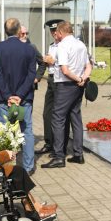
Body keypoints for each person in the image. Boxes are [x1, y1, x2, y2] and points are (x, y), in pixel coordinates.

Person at [41, 20, 91, 168]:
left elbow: (65, 70)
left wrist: (77, 78)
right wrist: (83, 78)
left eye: (57, 32)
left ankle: (58, 157)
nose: (56, 35)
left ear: (61, 32)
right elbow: (88, 65)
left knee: (57, 119)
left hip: (65, 85)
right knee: (76, 117)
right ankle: (78, 154)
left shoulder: (63, 45)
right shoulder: (81, 44)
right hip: (78, 86)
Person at [0, 18, 37, 173]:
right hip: (24, 98)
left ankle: (6, 166)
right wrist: (19, 95)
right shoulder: (29, 49)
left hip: (5, 99)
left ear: (6, 31)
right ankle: (28, 167)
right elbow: (32, 75)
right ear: (19, 31)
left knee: (5, 131)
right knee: (27, 130)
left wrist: (8, 96)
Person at [35, 19, 65, 155]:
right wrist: (37, 77)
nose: (53, 33)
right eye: (51, 31)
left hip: (63, 81)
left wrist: (55, 61)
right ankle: (49, 143)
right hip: (52, 81)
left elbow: (69, 64)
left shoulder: (66, 45)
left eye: (55, 30)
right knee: (47, 114)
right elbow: (45, 63)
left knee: (59, 115)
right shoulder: (52, 46)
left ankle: (59, 146)